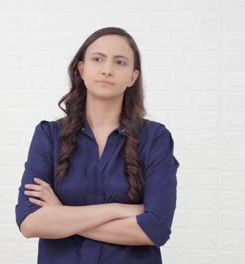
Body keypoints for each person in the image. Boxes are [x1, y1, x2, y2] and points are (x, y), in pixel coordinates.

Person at [15, 26, 180, 264]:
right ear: (81, 69)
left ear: (133, 77)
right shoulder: (49, 136)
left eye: (120, 62)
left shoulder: (155, 139)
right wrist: (119, 210)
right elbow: (29, 223)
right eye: (98, 59)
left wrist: (60, 215)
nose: (107, 70)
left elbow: (156, 229)